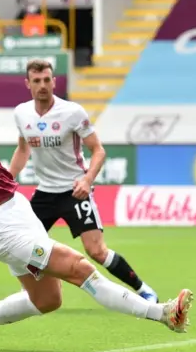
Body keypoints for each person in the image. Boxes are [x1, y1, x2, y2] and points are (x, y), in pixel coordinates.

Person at [0, 47, 193, 352]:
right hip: (1, 228)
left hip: (18, 209)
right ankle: (165, 314)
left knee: (48, 299)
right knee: (78, 267)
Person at [10, 59, 159, 303]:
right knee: (24, 248)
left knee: (97, 251)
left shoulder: (72, 112)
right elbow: (23, 150)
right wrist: (7, 181)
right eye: (36, 81)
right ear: (28, 84)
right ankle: (39, 290)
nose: (42, 85)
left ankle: (143, 289)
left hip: (74, 192)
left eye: (47, 80)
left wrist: (87, 180)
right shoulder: (21, 113)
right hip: (44, 194)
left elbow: (98, 150)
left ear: (54, 81)